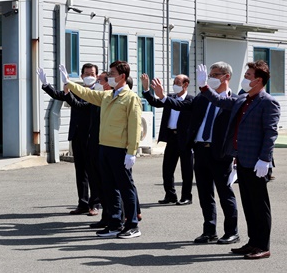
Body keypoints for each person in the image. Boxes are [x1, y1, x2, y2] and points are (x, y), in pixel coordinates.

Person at [197, 61, 280, 259]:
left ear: (258, 80)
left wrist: (264, 159)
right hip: (242, 160)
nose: (245, 78)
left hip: (257, 162)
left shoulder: (268, 102)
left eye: (249, 76)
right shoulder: (243, 99)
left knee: (260, 205)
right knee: (249, 204)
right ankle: (252, 242)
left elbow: (271, 133)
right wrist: (204, 87)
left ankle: (263, 246)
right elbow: (219, 101)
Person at [61, 60, 142, 239]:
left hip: (121, 150)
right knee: (109, 188)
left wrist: (132, 151)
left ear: (122, 76)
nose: (108, 77)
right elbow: (87, 93)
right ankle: (114, 223)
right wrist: (69, 83)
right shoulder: (106, 96)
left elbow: (135, 127)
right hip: (104, 147)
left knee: (125, 188)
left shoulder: (131, 98)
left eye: (112, 74)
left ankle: (132, 225)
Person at [161, 62, 239, 245]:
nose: (210, 78)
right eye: (209, 74)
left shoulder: (235, 100)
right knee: (205, 194)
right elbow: (183, 105)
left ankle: (231, 231)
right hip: (200, 150)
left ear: (226, 77)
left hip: (220, 154)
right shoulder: (202, 98)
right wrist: (162, 97)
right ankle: (209, 230)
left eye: (215, 74)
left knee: (225, 194)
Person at [37, 64, 99, 215]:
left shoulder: (98, 92)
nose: (89, 75)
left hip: (92, 137)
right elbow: (60, 95)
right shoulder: (78, 90)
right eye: (86, 73)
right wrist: (46, 84)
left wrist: (68, 88)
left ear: (96, 76)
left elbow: (81, 105)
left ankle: (95, 204)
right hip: (77, 135)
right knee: (80, 171)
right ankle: (83, 203)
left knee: (93, 171)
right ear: (82, 76)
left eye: (92, 73)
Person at [141, 74, 194, 205]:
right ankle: (170, 195)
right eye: (174, 81)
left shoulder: (191, 99)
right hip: (171, 136)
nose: (175, 84)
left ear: (186, 85)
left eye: (178, 82)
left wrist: (163, 97)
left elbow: (178, 105)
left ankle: (186, 197)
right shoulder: (169, 97)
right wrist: (147, 89)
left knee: (186, 169)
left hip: (185, 139)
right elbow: (154, 102)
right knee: (167, 168)